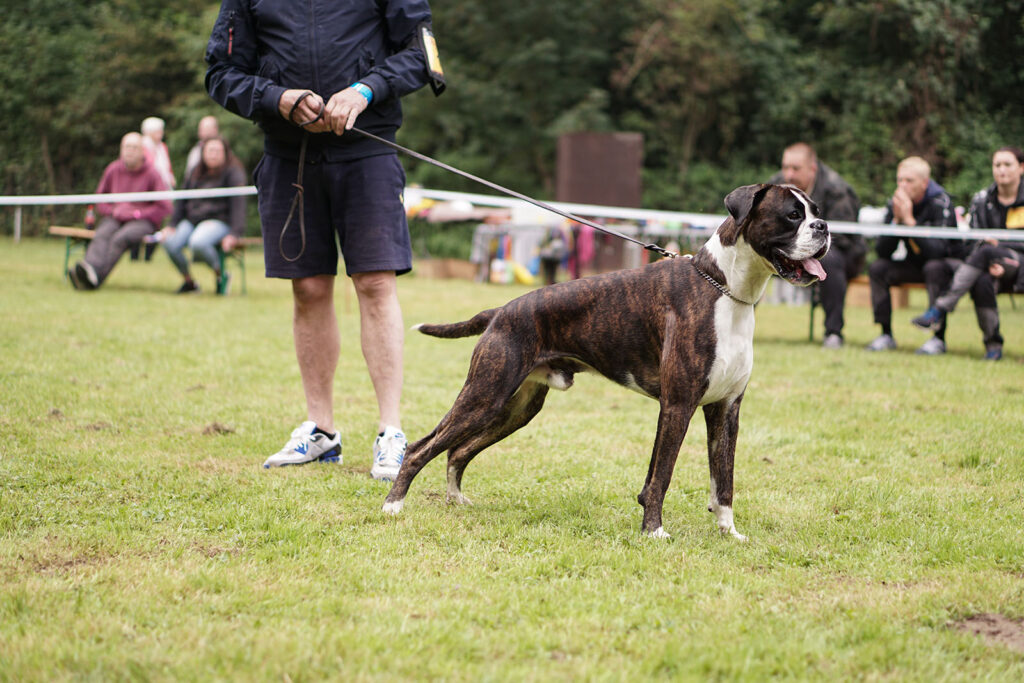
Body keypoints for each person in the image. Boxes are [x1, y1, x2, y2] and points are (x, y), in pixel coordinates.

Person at [205, 0, 444, 477]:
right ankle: (321, 431)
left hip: (368, 151)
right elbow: (221, 73)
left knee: (376, 284)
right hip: (288, 155)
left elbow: (422, 55)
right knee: (308, 289)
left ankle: (391, 432)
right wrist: (277, 99)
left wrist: (365, 90)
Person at [912, 146, 1024, 360]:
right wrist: (990, 255)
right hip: (985, 265)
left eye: (1007, 164)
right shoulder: (982, 200)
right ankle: (993, 346)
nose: (1001, 170)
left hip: (1020, 263)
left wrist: (998, 248)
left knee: (989, 251)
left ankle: (939, 309)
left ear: (1021, 168)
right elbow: (970, 244)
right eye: (997, 165)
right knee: (982, 279)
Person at [769, 143, 866, 348]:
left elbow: (844, 236)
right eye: (786, 167)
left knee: (829, 262)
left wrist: (806, 249)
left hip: (840, 252)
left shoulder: (837, 189)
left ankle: (833, 333)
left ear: (812, 168)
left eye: (796, 169)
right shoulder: (777, 186)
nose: (789, 174)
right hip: (793, 249)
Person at [865, 156, 960, 353]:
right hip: (914, 264)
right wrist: (896, 221)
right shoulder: (897, 202)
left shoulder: (940, 202)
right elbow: (882, 250)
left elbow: (938, 251)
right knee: (878, 268)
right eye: (900, 180)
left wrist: (910, 222)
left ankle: (938, 338)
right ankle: (885, 334)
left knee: (934, 268)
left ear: (924, 183)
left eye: (909, 181)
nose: (902, 185)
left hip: (946, 266)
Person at [68, 133, 171, 290]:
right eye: (126, 147)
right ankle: (88, 269)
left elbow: (164, 207)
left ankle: (93, 276)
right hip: (115, 218)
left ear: (142, 151)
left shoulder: (152, 173)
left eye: (134, 147)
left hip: (142, 222)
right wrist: (113, 210)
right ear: (121, 150)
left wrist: (137, 214)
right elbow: (100, 199)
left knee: (121, 238)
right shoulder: (113, 169)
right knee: (103, 234)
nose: (130, 151)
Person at [161, 136, 247, 295]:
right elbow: (182, 200)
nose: (213, 154)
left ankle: (221, 275)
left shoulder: (233, 172)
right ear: (203, 153)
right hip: (192, 220)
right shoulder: (195, 171)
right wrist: (172, 225)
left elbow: (238, 204)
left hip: (219, 221)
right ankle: (189, 282)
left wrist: (234, 233)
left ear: (225, 153)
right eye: (210, 151)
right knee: (169, 242)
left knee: (198, 242)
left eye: (217, 151)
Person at [141, 117, 176, 190]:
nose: (161, 133)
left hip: (165, 183)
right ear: (149, 132)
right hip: (150, 184)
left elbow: (167, 166)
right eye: (158, 131)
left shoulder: (162, 147)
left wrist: (170, 176)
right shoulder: (142, 146)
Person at [183, 116, 220, 181]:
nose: (203, 132)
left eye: (207, 129)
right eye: (201, 129)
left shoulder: (223, 149)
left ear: (215, 130)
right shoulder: (195, 151)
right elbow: (189, 175)